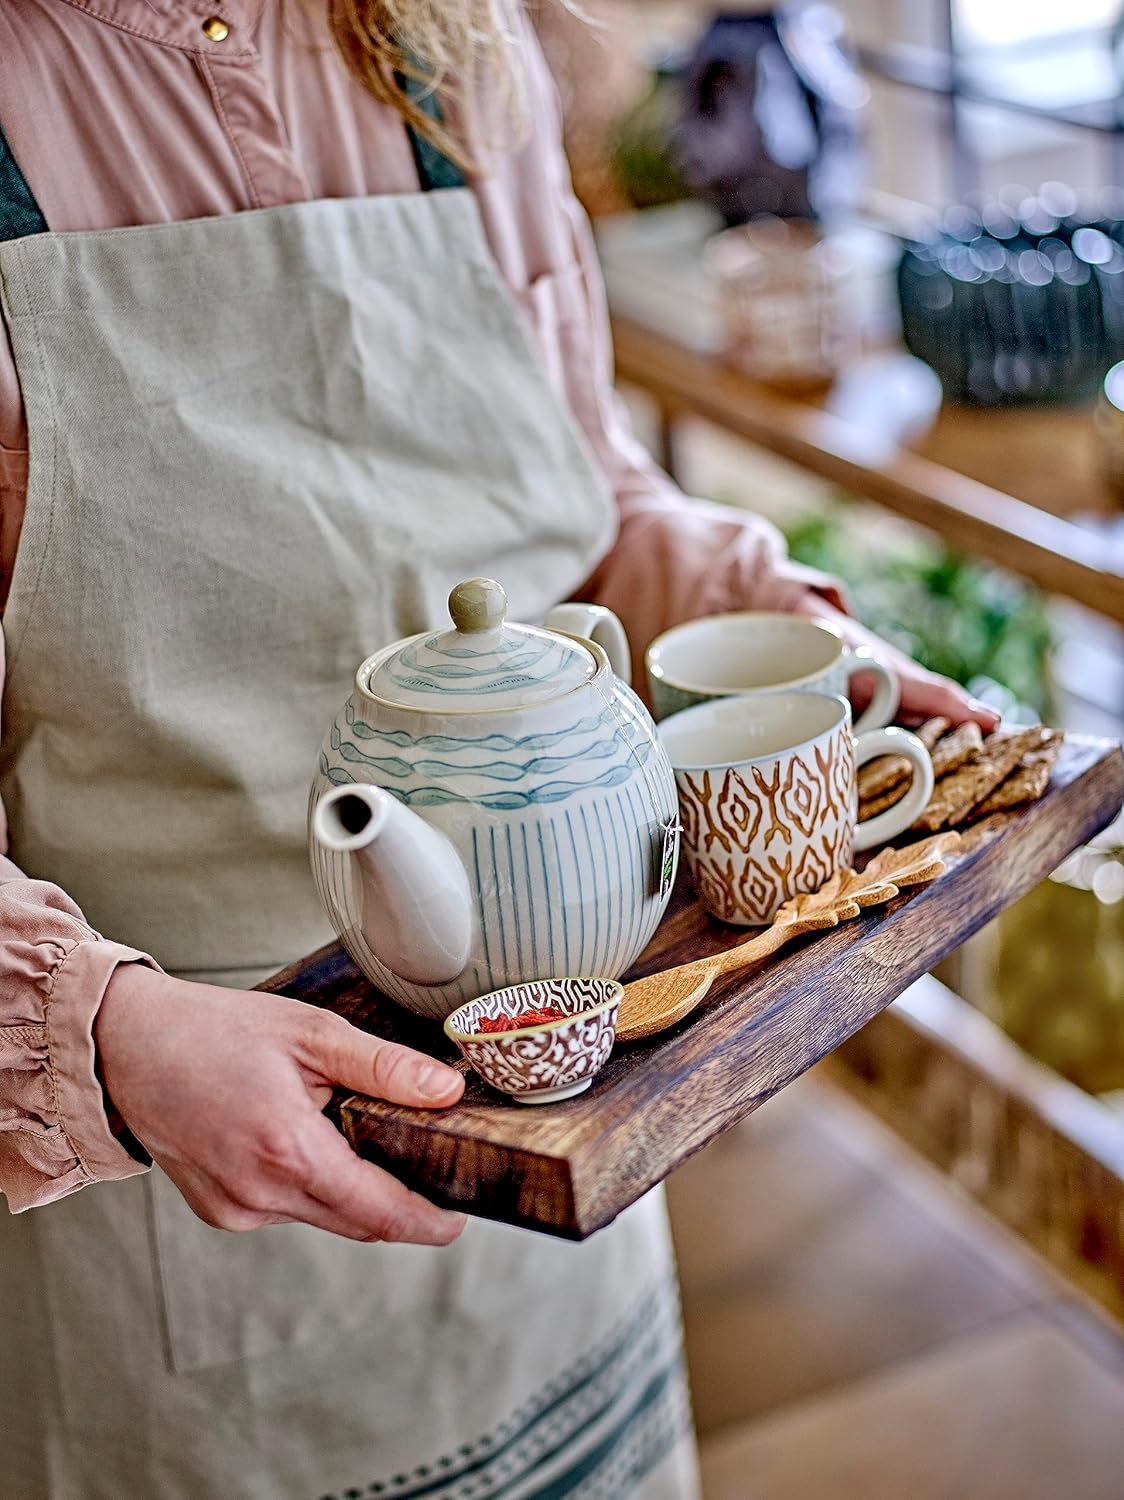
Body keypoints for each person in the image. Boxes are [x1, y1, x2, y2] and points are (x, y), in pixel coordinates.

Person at [0, 3, 997, 1496]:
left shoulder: (444, 45)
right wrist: (101, 1033)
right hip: (185, 1198)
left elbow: (586, 501)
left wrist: (783, 637)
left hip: (566, 1120)